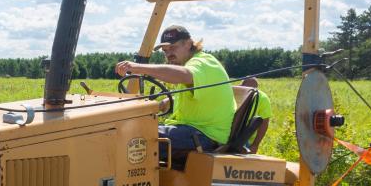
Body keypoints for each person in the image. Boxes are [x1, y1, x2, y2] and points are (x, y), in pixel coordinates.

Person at [115, 25, 235, 161]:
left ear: (189, 44)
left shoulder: (202, 62)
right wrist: (162, 103)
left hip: (205, 137)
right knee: (135, 127)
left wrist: (139, 67)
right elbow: (189, 92)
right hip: (190, 131)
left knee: (132, 135)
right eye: (165, 51)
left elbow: (184, 75)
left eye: (173, 48)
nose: (168, 54)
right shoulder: (190, 65)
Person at [241, 76, 273, 153]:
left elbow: (264, 122)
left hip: (246, 141)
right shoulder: (236, 93)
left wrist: (255, 145)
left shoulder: (262, 98)